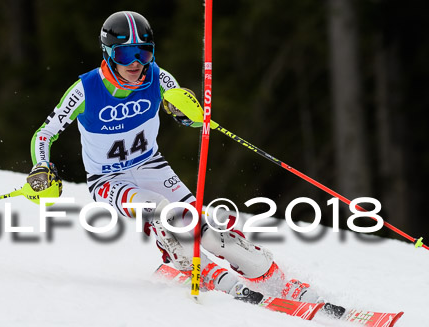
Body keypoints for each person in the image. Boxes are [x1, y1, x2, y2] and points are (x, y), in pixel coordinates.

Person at [25, 11, 324, 305]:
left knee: (204, 231)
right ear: (108, 53)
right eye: (125, 54)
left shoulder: (158, 77)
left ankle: (275, 280)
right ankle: (204, 272)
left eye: (143, 53)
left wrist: (190, 113)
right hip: (108, 180)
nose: (135, 63)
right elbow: (44, 133)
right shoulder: (85, 89)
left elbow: (184, 110)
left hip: (151, 167)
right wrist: (41, 167)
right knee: (160, 211)